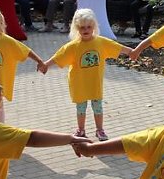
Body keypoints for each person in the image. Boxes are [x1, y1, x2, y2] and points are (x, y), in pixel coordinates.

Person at [43, 9, 131, 141]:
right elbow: (59, 56)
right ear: (77, 28)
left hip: (95, 83)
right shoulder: (73, 46)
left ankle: (100, 130)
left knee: (98, 108)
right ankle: (81, 129)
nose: (86, 30)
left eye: (89, 27)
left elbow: (117, 47)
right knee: (81, 109)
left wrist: (131, 52)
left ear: (94, 27)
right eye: (82, 27)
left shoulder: (100, 42)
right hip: (80, 84)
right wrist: (46, 65)